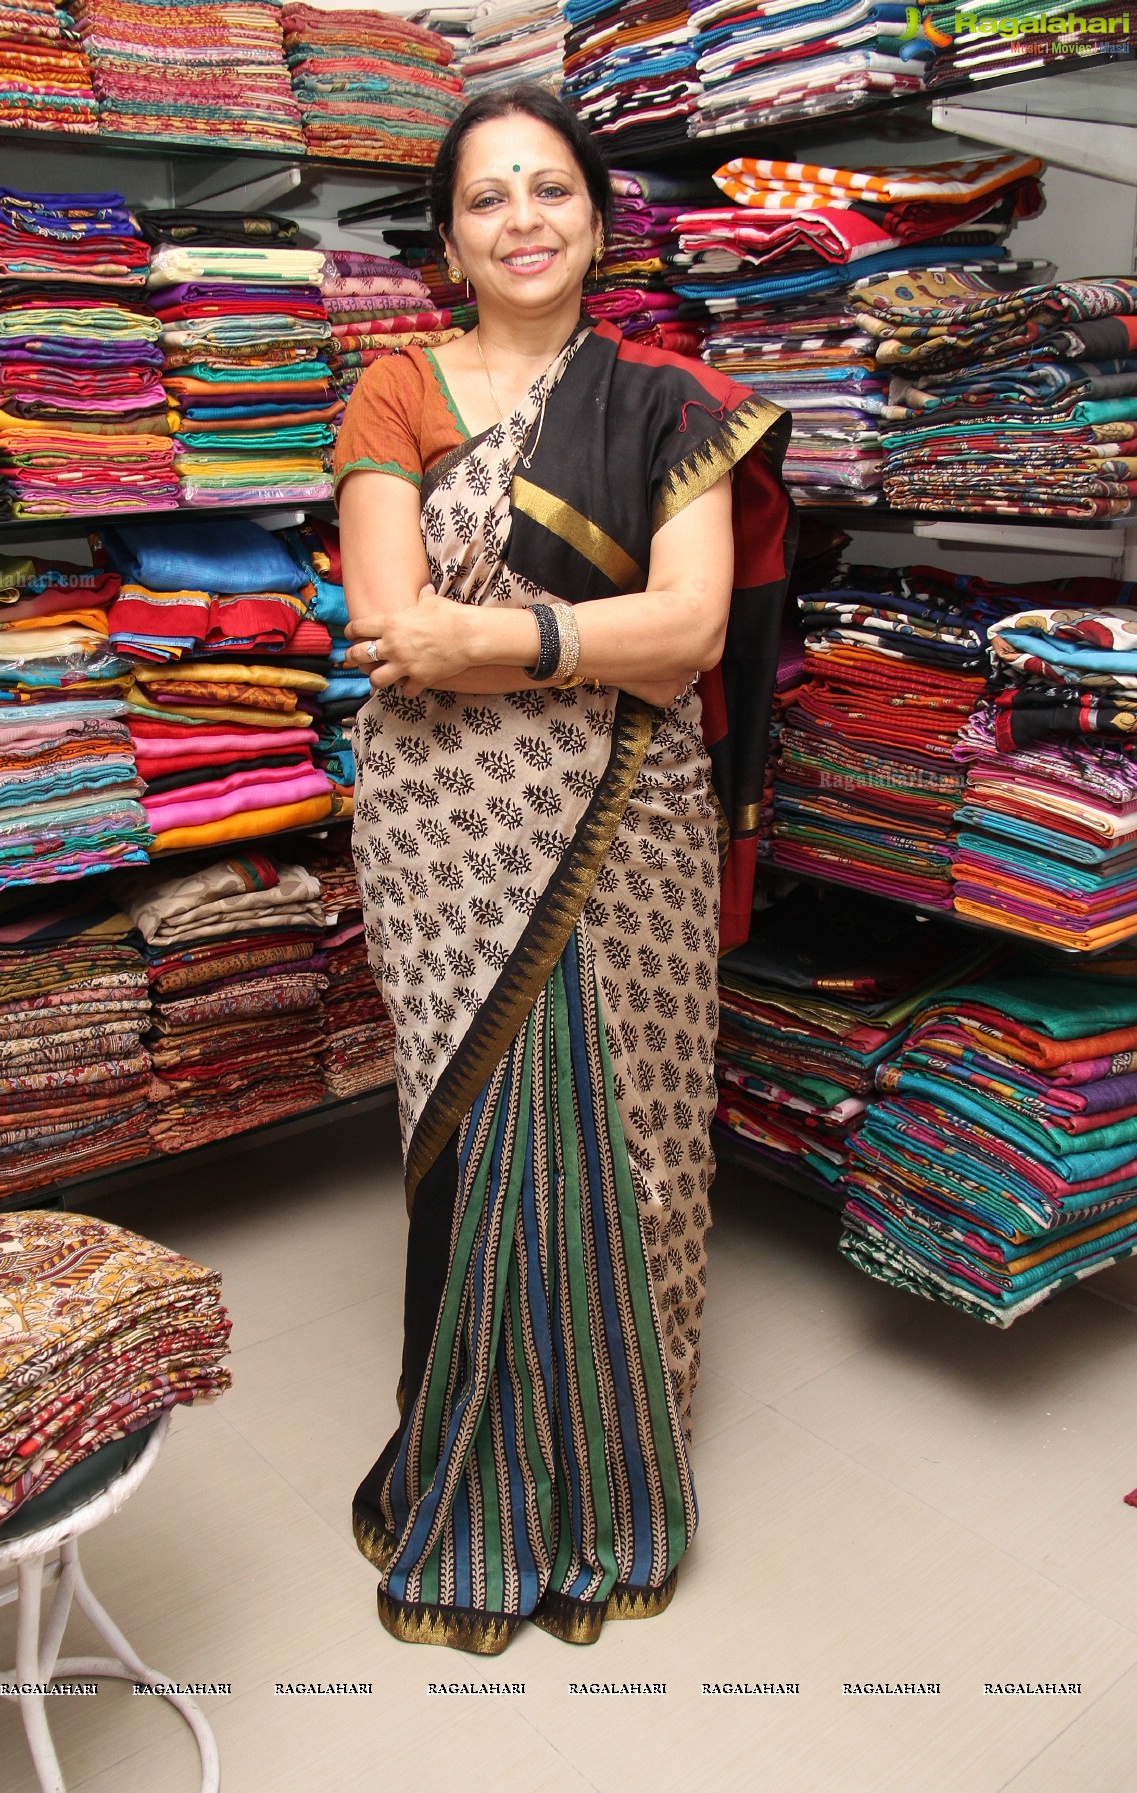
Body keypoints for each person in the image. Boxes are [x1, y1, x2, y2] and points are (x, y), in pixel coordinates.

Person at [333, 84, 794, 1654]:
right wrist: (547, 649)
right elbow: (394, 626)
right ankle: (475, 1467)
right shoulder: (392, 391)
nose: (523, 219)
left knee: (633, 1136)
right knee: (476, 1126)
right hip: (437, 832)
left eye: (552, 190)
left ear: (599, 220)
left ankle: (610, 1485)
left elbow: (695, 631)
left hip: (628, 826)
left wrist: (496, 639)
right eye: (487, 198)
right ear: (449, 239)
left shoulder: (675, 403)